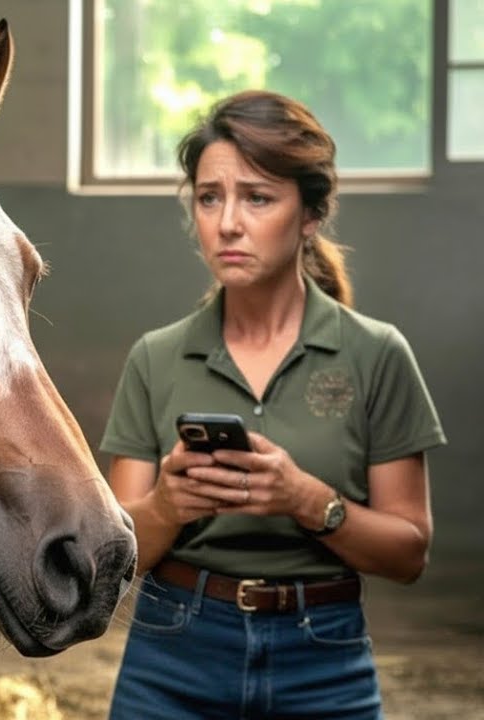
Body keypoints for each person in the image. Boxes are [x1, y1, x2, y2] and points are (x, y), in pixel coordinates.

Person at [100, 90, 446, 719]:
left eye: (257, 197)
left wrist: (308, 502)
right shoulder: (154, 358)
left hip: (325, 656)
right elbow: (116, 562)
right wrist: (168, 506)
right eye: (210, 197)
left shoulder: (376, 354)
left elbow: (408, 553)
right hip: (172, 654)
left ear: (310, 213)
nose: (228, 222)